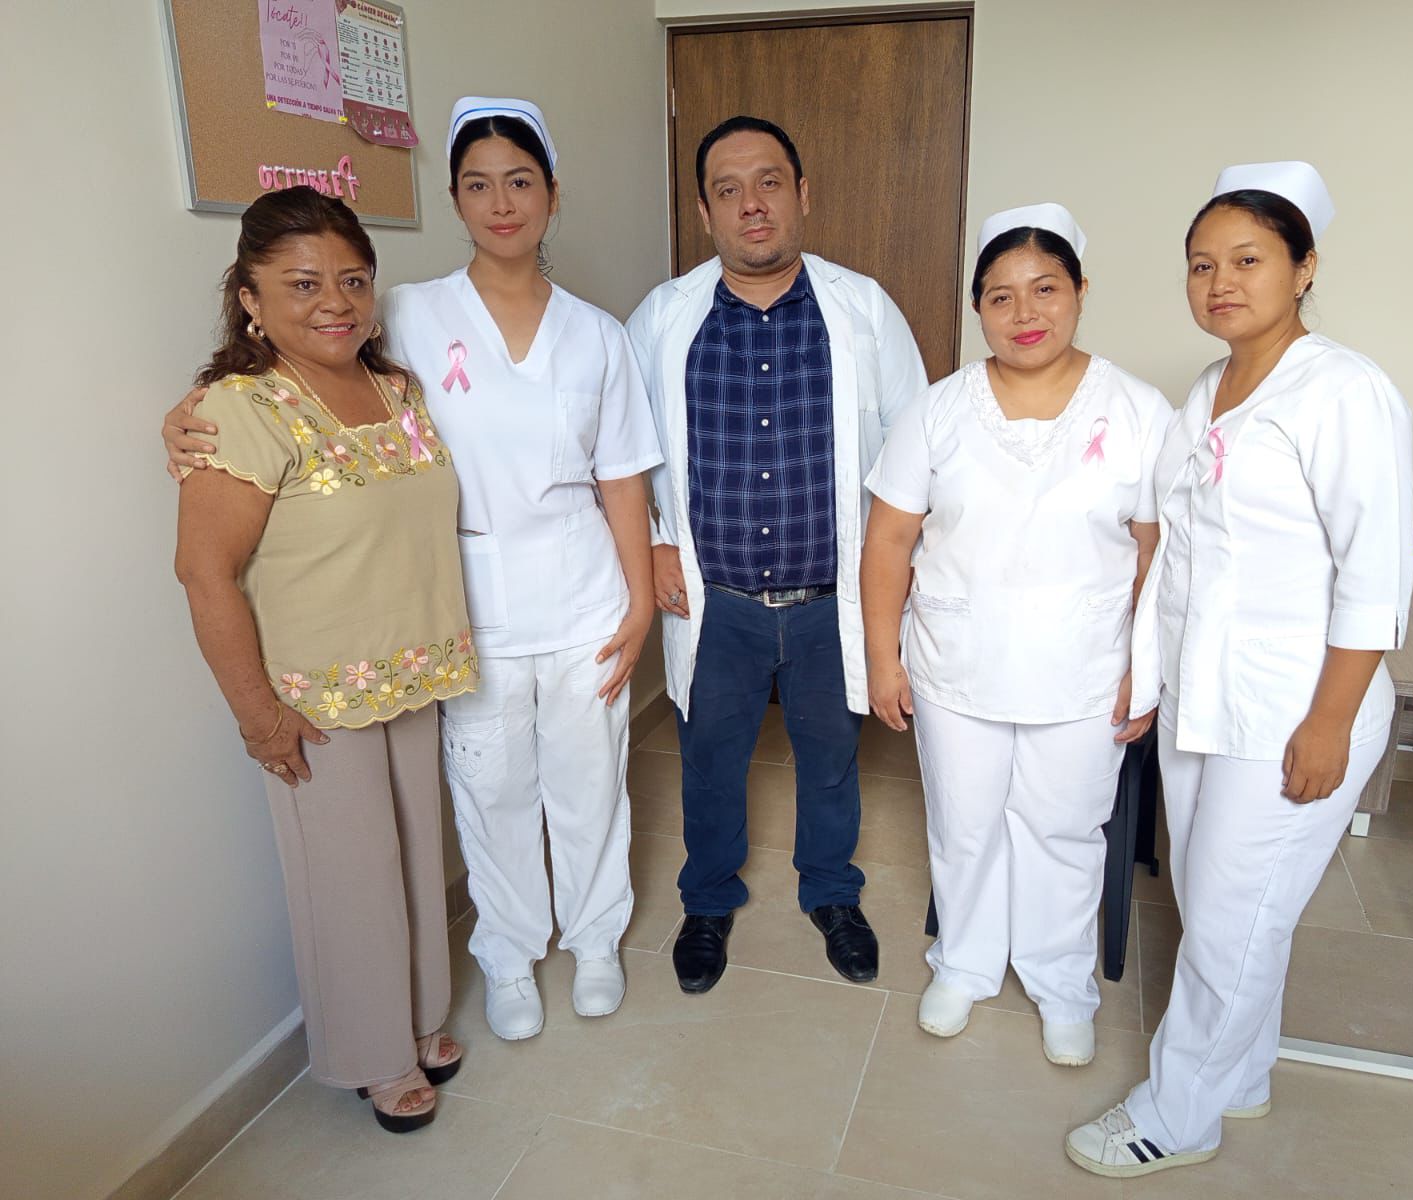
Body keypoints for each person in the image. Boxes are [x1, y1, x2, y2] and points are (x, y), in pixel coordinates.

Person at [164, 98, 661, 1043]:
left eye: (520, 182)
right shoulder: (405, 314)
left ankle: (596, 939)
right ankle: (508, 954)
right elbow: (292, 372)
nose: (501, 203)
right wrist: (186, 414)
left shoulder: (599, 333)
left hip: (584, 592)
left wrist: (638, 603)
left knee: (592, 779)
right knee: (490, 789)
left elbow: (623, 475)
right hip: (460, 608)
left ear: (553, 196)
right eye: (478, 185)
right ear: (455, 200)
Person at [1065, 162, 1413, 1177]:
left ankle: (1178, 1115)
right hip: (1204, 696)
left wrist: (1329, 723)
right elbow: (1179, 554)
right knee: (1221, 901)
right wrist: (1147, 676)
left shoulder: (1344, 391)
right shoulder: (1207, 390)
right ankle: (1241, 1070)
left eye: (1248, 260)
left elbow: (1375, 574)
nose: (1220, 282)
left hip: (1295, 706)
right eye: (1201, 264)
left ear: (1304, 268)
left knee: (1228, 918)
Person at [174, 187, 474, 1133]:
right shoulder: (242, 409)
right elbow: (204, 574)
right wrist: (259, 718)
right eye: (302, 283)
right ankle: (375, 1059)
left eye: (352, 279)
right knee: (348, 885)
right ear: (250, 299)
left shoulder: (398, 391)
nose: (335, 301)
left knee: (414, 865)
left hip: (411, 675)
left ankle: (418, 1017)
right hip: (316, 703)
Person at [625, 115, 927, 994]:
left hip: (831, 593)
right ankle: (708, 901)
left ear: (802, 194)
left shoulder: (862, 310)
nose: (751, 204)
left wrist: (898, 575)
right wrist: (655, 541)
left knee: (830, 760)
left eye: (769, 183)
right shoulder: (664, 317)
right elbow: (622, 447)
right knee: (709, 760)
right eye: (728, 190)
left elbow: (915, 445)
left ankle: (832, 892)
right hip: (713, 597)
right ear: (705, 211)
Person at [860, 204, 1167, 1066]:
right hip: (956, 662)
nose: (1025, 313)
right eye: (1001, 296)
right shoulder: (937, 410)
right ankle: (962, 964)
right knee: (964, 825)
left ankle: (1061, 983)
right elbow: (887, 542)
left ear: (1080, 292)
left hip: (1084, 670)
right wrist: (882, 659)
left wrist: (1144, 670)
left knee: (1064, 831)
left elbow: (1157, 554)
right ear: (978, 308)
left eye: (1045, 289)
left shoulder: (1139, 411)